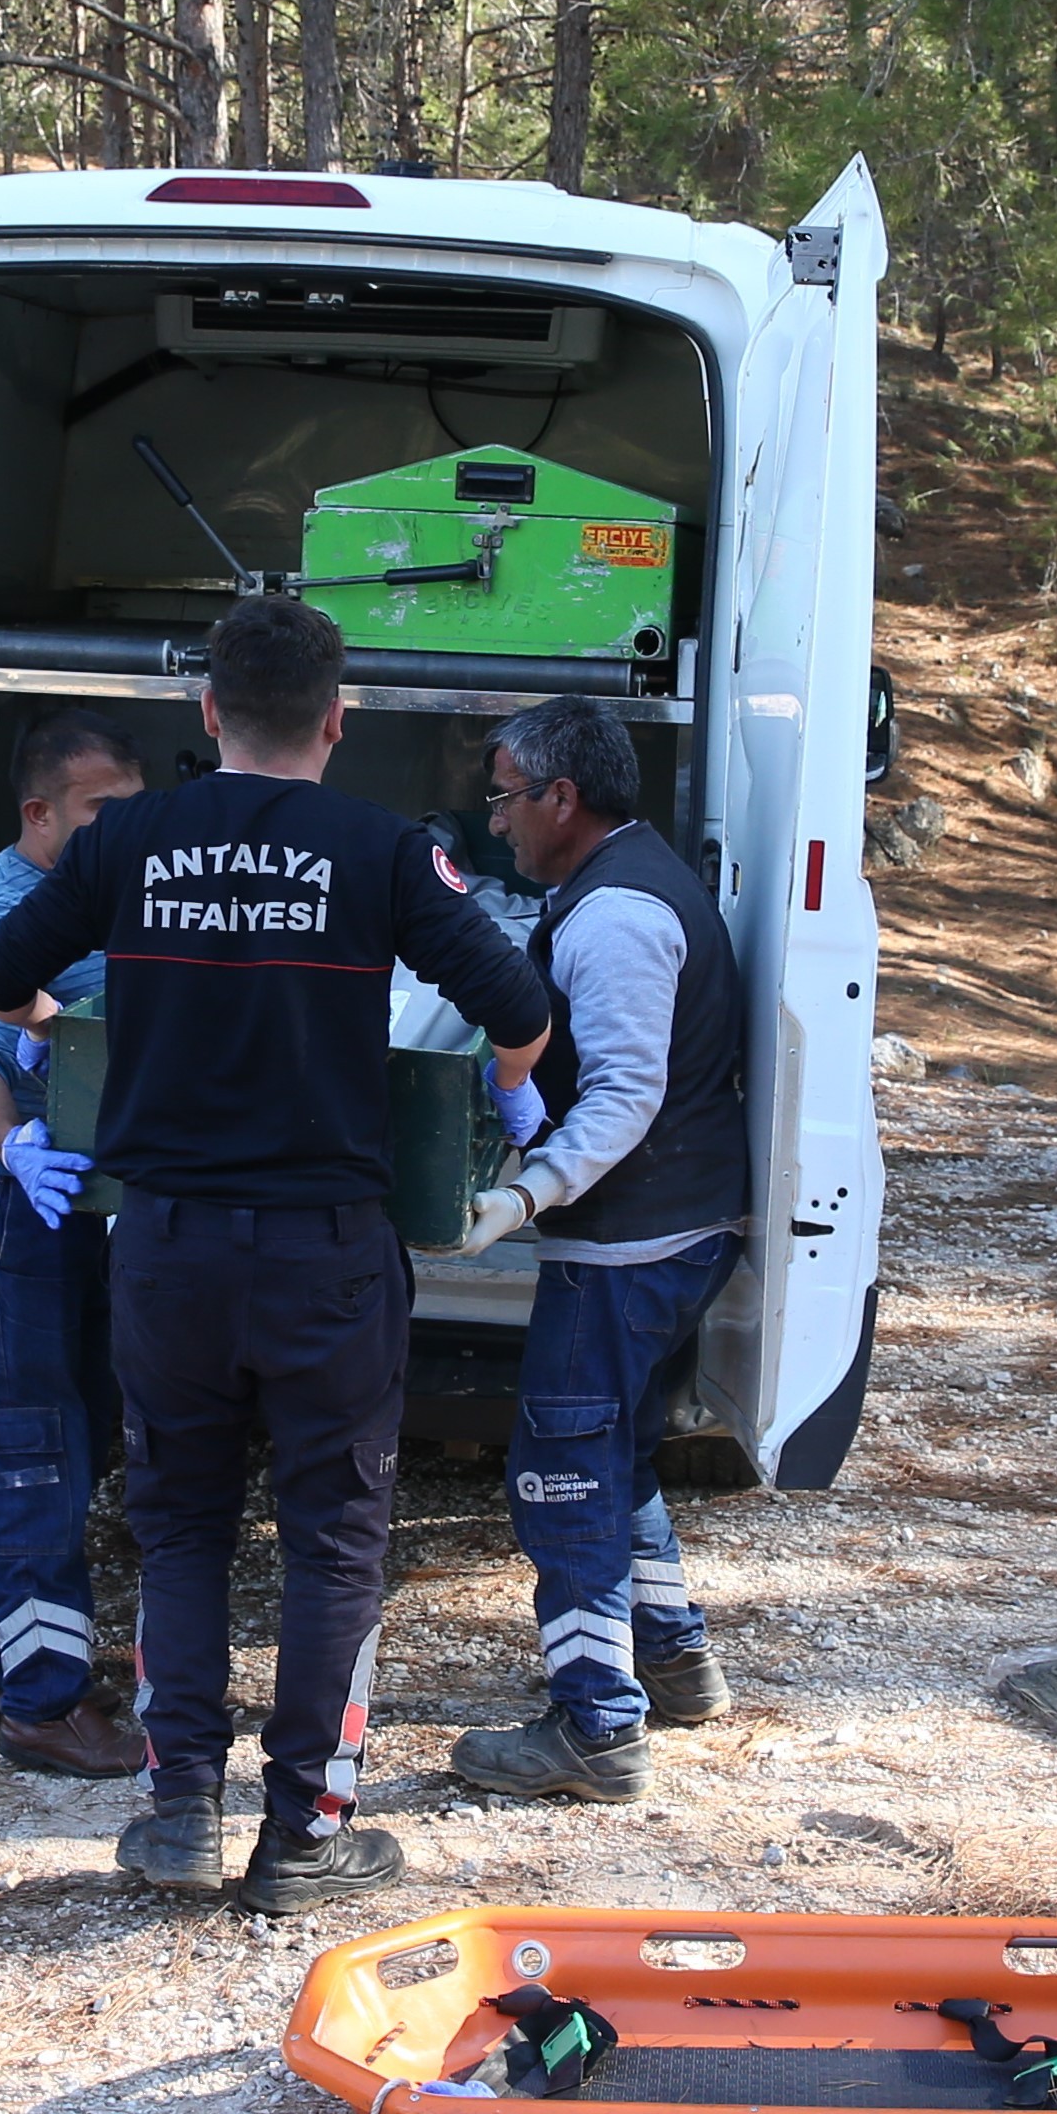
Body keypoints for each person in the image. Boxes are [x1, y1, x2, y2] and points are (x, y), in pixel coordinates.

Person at [0, 592, 551, 1914]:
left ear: (207, 712)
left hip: (165, 1250)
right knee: (333, 1539)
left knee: (178, 1526)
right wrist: (514, 1101)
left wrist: (63, 1030)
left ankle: (178, 1811)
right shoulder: (379, 850)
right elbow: (516, 1008)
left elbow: (3, 975)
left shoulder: (128, 842)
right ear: (338, 721)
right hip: (324, 1258)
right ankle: (305, 1836)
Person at [441, 696, 751, 1804]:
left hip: (633, 1240)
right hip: (673, 1223)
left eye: (506, 797)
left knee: (561, 1471)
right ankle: (671, 1654)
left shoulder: (616, 916)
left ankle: (594, 1724)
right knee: (615, 1451)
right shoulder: (623, 878)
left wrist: (527, 1191)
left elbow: (625, 1092)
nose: (499, 820)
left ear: (561, 798)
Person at [0, 709, 144, 1778]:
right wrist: (11, 1148)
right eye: (103, 810)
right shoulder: (3, 907)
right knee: (28, 1453)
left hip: (64, 1208)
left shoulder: (98, 895)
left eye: (132, 810)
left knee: (71, 1432)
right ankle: (44, 1709)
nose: (122, 827)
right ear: (40, 813)